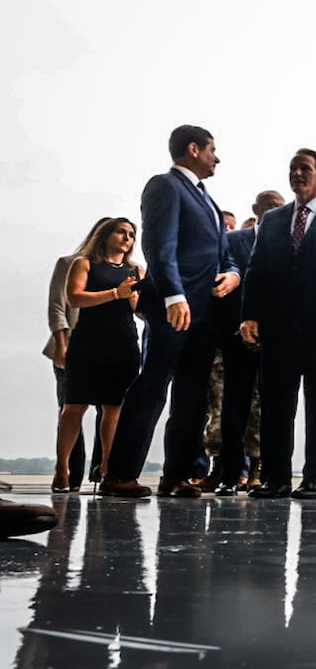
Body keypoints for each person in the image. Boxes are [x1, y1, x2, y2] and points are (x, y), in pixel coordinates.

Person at [101, 125, 240, 498]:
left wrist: (233, 274)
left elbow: (223, 254)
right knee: (152, 386)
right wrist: (174, 296)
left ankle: (176, 476)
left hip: (206, 312)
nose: (218, 157)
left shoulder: (208, 200)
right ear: (193, 149)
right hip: (173, 309)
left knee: (192, 395)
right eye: (213, 149)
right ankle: (120, 474)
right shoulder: (164, 186)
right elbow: (159, 245)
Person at [240, 149, 316, 499]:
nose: (297, 173)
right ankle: (275, 479)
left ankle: (314, 479)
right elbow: (256, 270)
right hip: (277, 330)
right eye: (293, 168)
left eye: (305, 168)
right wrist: (250, 315)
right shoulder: (275, 219)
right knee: (276, 407)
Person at [53, 218, 145, 492]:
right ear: (105, 235)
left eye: (131, 234)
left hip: (124, 342)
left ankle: (108, 468)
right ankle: (62, 467)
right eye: (121, 231)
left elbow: (139, 310)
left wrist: (135, 300)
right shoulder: (84, 264)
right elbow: (75, 298)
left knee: (115, 408)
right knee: (74, 407)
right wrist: (115, 293)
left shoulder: (136, 270)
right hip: (88, 342)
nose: (127, 238)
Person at [210, 190, 285, 495]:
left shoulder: (291, 246)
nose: (272, 212)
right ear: (255, 209)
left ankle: (269, 476)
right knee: (233, 408)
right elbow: (219, 287)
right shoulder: (231, 241)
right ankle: (229, 476)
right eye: (267, 207)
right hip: (235, 338)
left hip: (277, 342)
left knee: (274, 408)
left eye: (278, 208)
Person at [44, 217, 113, 490]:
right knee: (71, 409)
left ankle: (101, 473)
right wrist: (61, 344)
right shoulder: (68, 263)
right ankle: (69, 474)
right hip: (72, 346)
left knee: (107, 411)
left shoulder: (120, 270)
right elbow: (57, 306)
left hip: (109, 348)